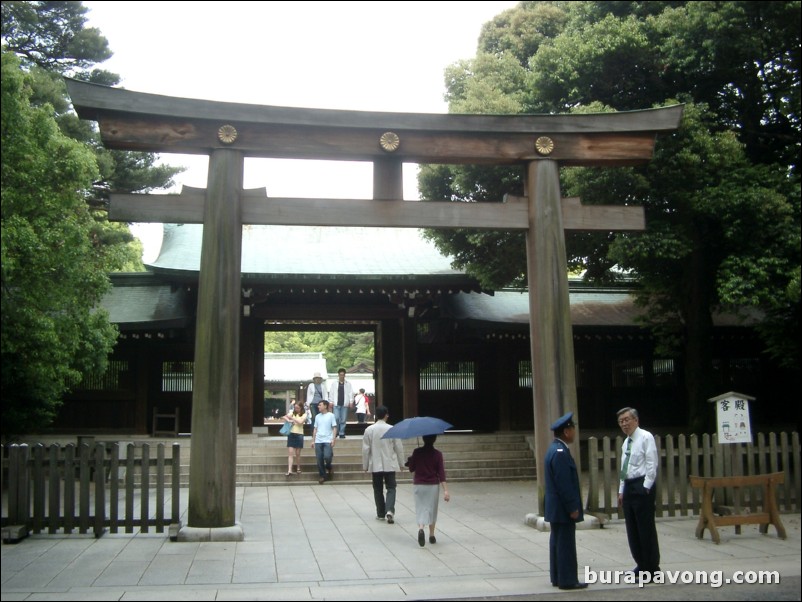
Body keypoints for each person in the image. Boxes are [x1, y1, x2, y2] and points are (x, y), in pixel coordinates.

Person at [544, 412, 587, 590]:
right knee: (565, 544)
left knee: (557, 542)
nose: (574, 432)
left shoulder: (553, 449)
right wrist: (572, 507)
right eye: (573, 428)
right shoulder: (561, 452)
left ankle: (557, 576)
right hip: (562, 508)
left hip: (555, 507)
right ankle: (567, 579)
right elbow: (564, 484)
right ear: (567, 431)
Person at [617, 406, 661, 579]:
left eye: (627, 420)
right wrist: (621, 490)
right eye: (621, 421)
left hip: (642, 485)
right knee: (632, 528)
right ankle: (641, 563)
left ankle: (652, 566)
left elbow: (652, 463)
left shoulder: (645, 437)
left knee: (645, 528)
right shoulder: (626, 442)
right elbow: (623, 468)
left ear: (636, 420)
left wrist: (647, 486)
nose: (624, 424)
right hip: (628, 486)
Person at [362, 406, 405, 522]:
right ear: (386, 415)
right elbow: (398, 448)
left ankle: (380, 513)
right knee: (391, 487)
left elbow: (366, 449)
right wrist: (402, 463)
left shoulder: (369, 430)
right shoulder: (392, 429)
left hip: (375, 464)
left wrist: (365, 465)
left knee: (377, 488)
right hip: (389, 463)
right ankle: (390, 510)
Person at [407, 434, 449, 547]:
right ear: (434, 439)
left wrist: (410, 460)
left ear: (423, 439)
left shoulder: (417, 452)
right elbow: (441, 473)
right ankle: (431, 535)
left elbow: (411, 469)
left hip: (419, 484)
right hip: (432, 486)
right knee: (432, 509)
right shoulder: (438, 454)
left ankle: (421, 528)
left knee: (421, 508)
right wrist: (446, 490)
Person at [312, 400, 338, 484]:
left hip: (327, 439)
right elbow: (315, 428)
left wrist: (333, 439)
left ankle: (329, 466)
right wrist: (313, 440)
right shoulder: (317, 416)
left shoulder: (331, 416)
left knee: (327, 456)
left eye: (320, 405)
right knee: (319, 459)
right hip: (318, 440)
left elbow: (334, 427)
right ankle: (323, 475)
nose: (318, 407)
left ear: (325, 406)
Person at [283, 401, 307, 476]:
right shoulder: (292, 413)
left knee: (297, 453)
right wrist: (289, 420)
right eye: (295, 407)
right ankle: (289, 470)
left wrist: (292, 418)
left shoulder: (304, 414)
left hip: (299, 434)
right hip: (291, 433)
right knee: (290, 453)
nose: (296, 409)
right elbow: (284, 416)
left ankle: (298, 467)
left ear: (301, 408)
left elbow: (300, 422)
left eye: (297, 408)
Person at [328, 368, 353, 439]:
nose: (342, 376)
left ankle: (342, 432)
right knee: (336, 418)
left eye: (343, 375)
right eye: (340, 375)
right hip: (336, 403)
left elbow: (351, 393)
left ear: (345, 375)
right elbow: (331, 393)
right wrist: (331, 401)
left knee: (343, 419)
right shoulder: (334, 383)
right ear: (338, 375)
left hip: (344, 404)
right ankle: (336, 432)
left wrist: (351, 401)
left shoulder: (348, 384)